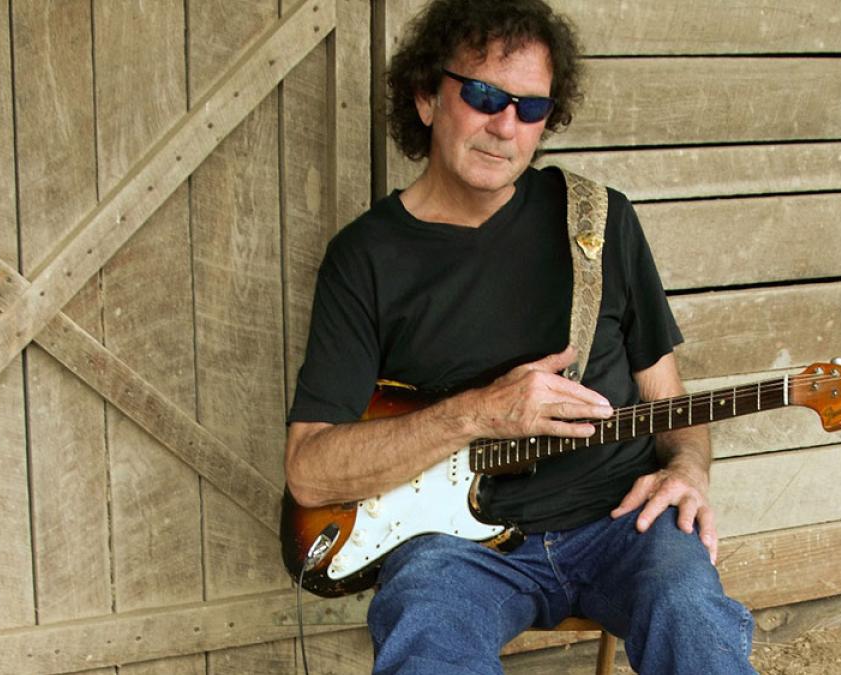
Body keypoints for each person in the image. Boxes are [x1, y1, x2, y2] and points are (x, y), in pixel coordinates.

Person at [284, 1, 756, 672]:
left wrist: (687, 470)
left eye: (530, 108)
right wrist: (480, 412)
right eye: (483, 96)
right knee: (429, 640)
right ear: (426, 97)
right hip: (455, 550)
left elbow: (672, 405)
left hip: (623, 523)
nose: (505, 126)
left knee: (694, 612)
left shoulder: (599, 224)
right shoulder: (364, 258)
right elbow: (309, 471)